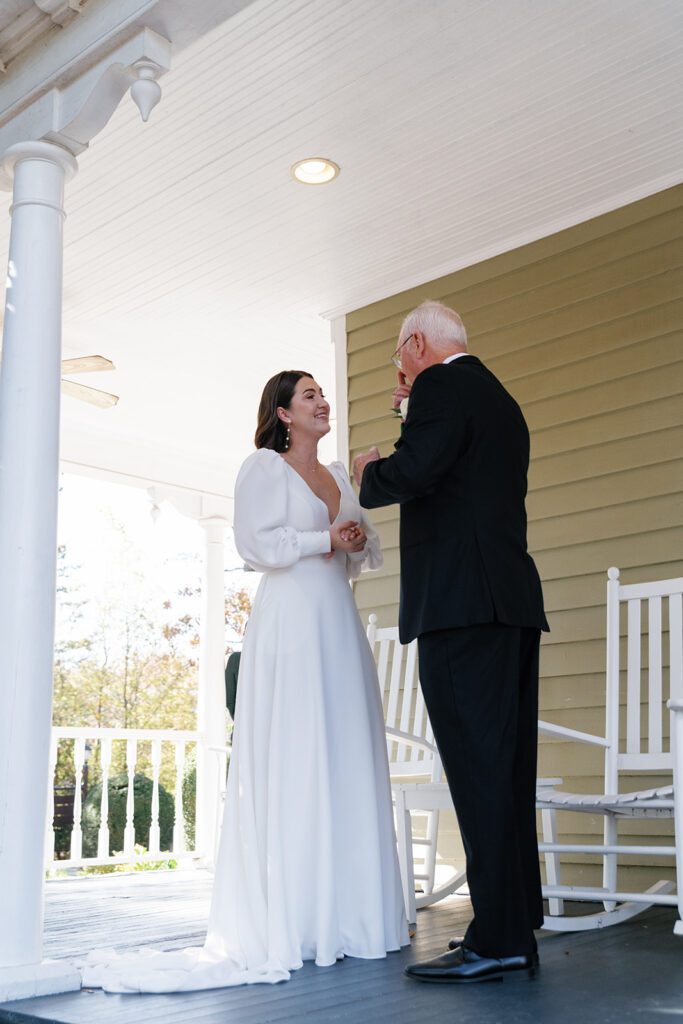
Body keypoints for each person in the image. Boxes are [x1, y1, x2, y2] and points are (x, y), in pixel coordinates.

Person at [81, 370, 408, 993]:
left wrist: (355, 537)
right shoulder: (263, 468)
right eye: (309, 395)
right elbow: (257, 544)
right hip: (289, 623)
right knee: (297, 754)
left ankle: (351, 917)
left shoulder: (339, 475)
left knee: (344, 753)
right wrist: (323, 537)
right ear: (283, 413)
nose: (321, 402)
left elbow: (363, 553)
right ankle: (294, 919)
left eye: (321, 393)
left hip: (336, 620)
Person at [354, 300, 548, 985]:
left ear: (414, 345)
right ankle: (515, 929)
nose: (398, 370)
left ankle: (495, 939)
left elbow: (413, 474)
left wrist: (369, 468)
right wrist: (415, 419)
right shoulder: (499, 397)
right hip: (508, 605)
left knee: (477, 770)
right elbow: (459, 473)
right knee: (505, 770)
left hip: (461, 609)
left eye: (396, 358)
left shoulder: (440, 385)